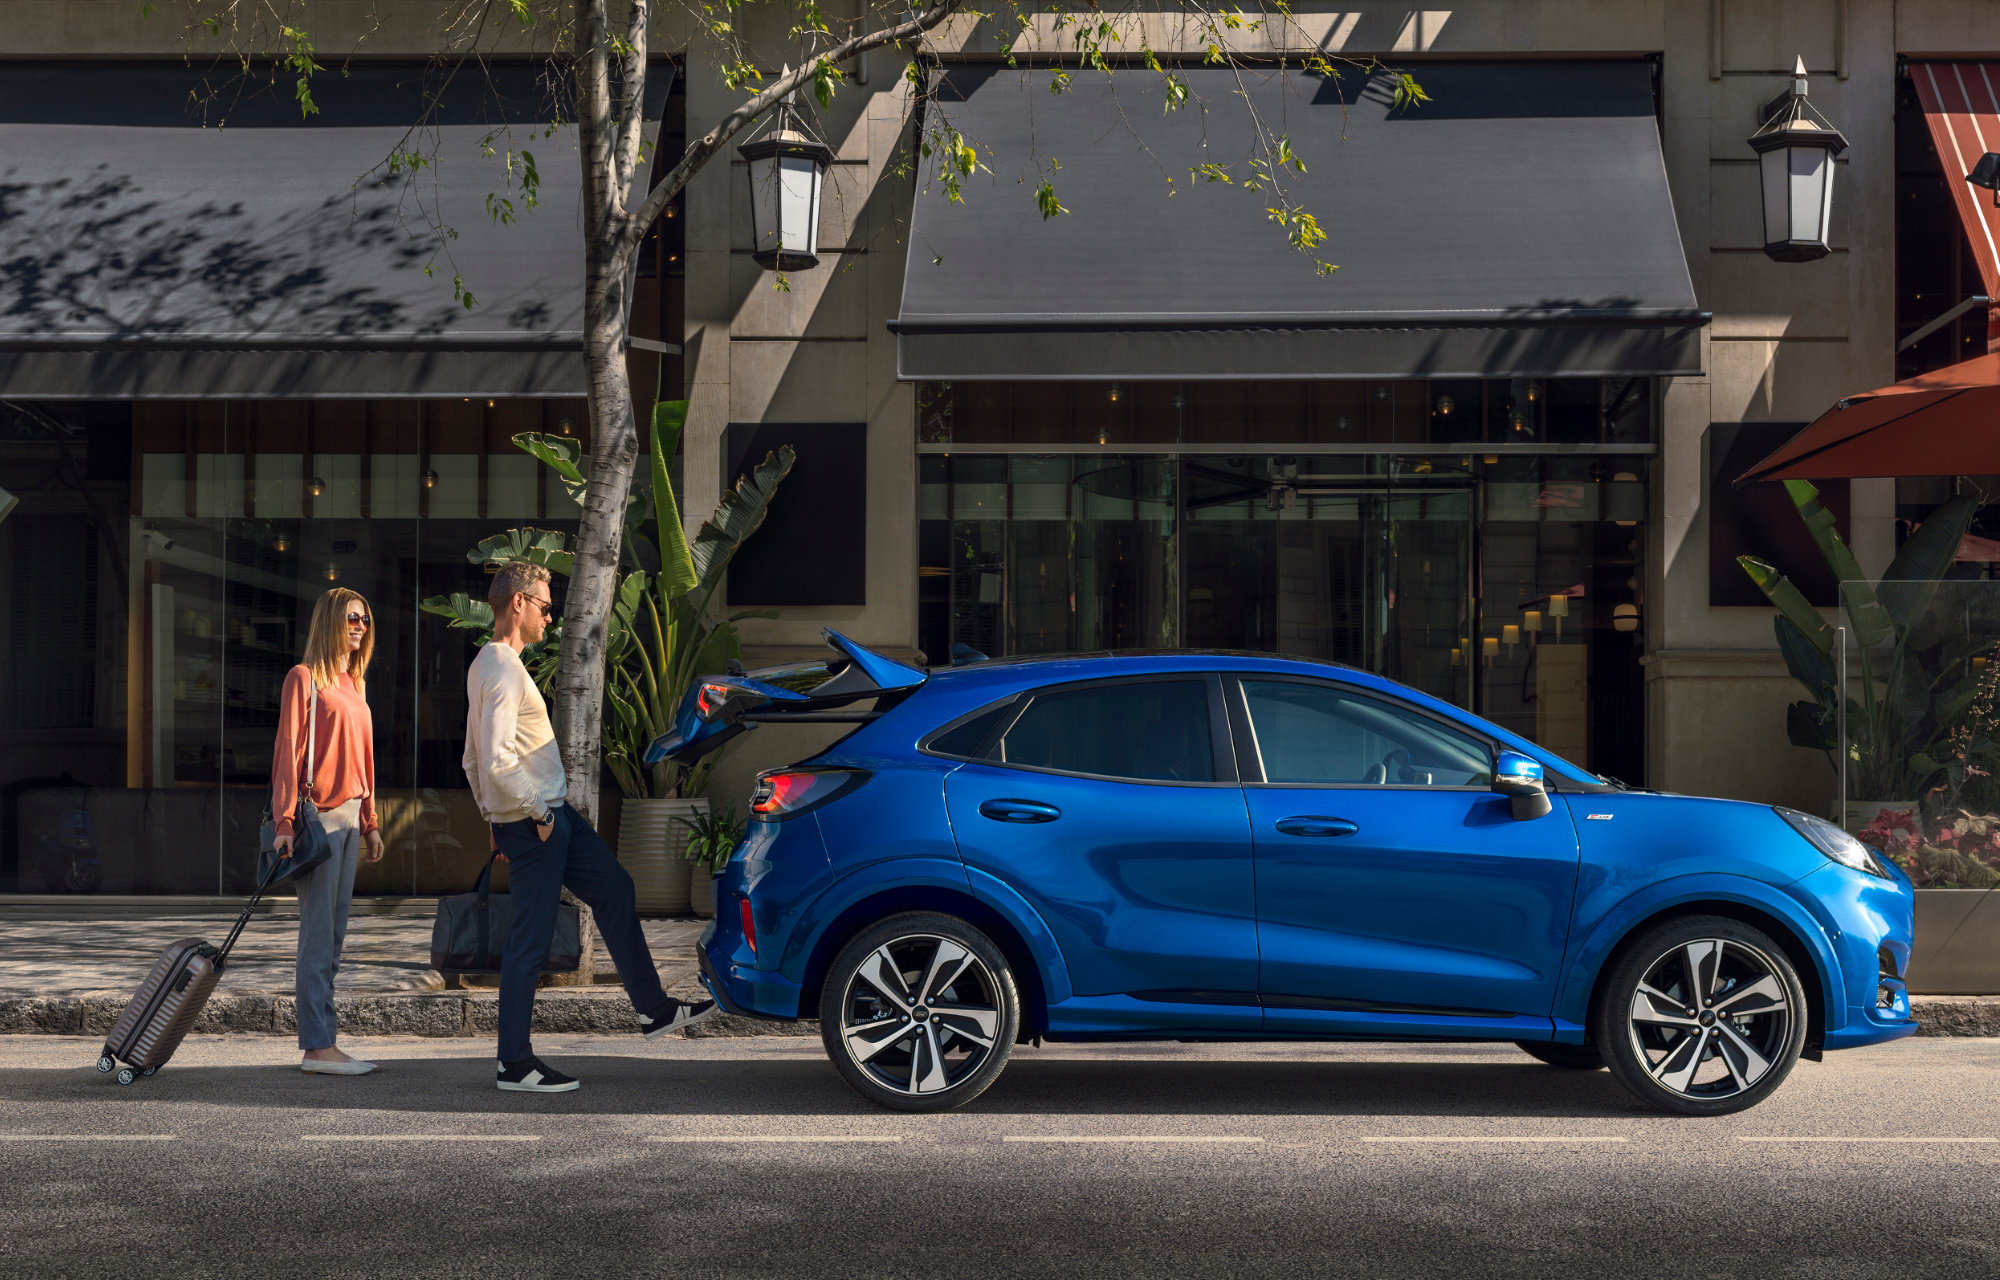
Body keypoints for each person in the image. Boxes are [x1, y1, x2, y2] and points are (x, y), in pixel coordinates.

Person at [465, 561, 714, 1092]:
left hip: (546, 817)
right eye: (544, 607)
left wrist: (494, 814)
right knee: (530, 939)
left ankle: (653, 1009)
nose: (549, 619)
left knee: (616, 888)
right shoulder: (504, 669)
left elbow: (470, 760)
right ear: (517, 604)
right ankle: (514, 1062)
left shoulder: (491, 664)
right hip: (540, 822)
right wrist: (532, 812)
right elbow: (493, 760)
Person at [272, 587, 384, 1077]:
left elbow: (365, 760)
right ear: (330, 621)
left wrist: (372, 821)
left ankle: (325, 1041)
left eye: (364, 619)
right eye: (351, 618)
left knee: (335, 937)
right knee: (318, 937)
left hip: (352, 820)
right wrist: (283, 822)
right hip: (319, 820)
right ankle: (317, 1047)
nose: (359, 626)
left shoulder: (355, 683)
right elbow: (287, 755)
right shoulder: (304, 678)